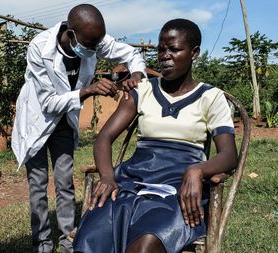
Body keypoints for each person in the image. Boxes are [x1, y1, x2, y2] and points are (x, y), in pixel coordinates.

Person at [73, 18, 238, 253]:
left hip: (178, 188)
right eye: (161, 50)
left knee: (145, 245)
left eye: (174, 49)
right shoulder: (143, 90)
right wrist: (108, 177)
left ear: (194, 53)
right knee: (93, 236)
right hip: (133, 180)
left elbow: (230, 155)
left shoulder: (210, 97)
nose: (165, 56)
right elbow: (104, 138)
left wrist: (197, 170)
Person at [11, 4, 146, 253]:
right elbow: (49, 102)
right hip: (37, 120)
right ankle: (41, 242)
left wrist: (137, 73)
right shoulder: (40, 48)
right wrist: (88, 90)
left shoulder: (93, 40)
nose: (94, 50)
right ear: (71, 34)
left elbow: (131, 54)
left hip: (64, 121)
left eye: (97, 44)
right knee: (38, 184)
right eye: (89, 44)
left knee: (64, 181)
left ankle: (67, 240)